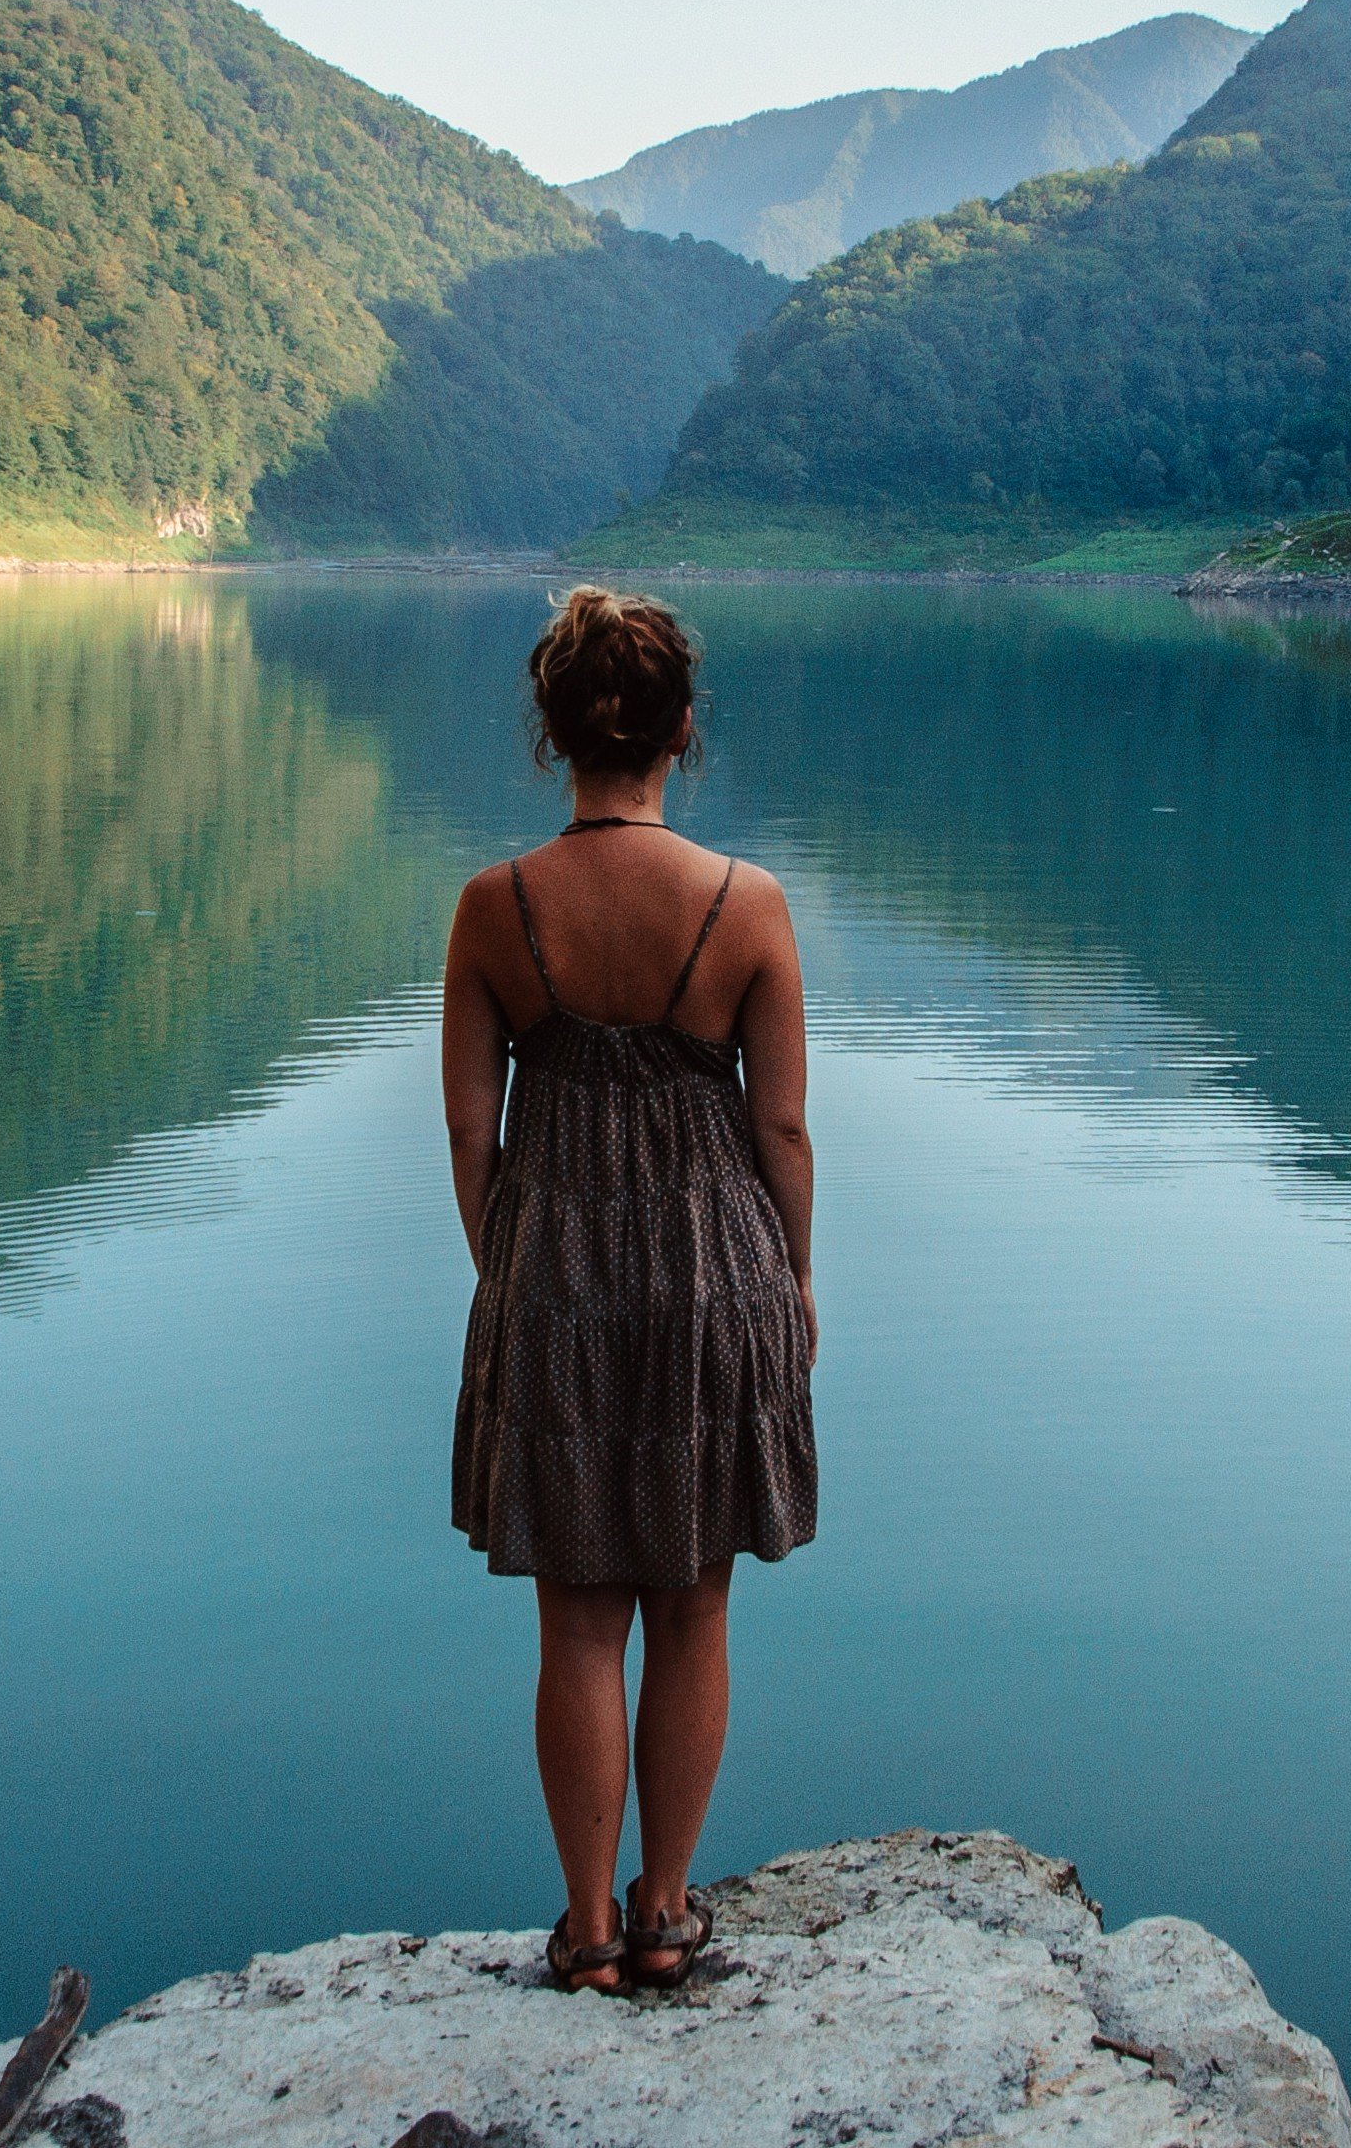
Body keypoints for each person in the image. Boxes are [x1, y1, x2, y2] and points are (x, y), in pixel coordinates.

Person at [443, 586, 817, 1998]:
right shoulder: (749, 907)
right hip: (720, 1281)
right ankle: (670, 1914)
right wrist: (792, 1283)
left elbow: (470, 1139)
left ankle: (587, 1927)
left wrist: (519, 1282)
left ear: (554, 735)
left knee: (579, 1621)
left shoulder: (495, 909)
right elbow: (778, 1130)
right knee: (696, 1602)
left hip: (556, 1284)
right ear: (682, 730)